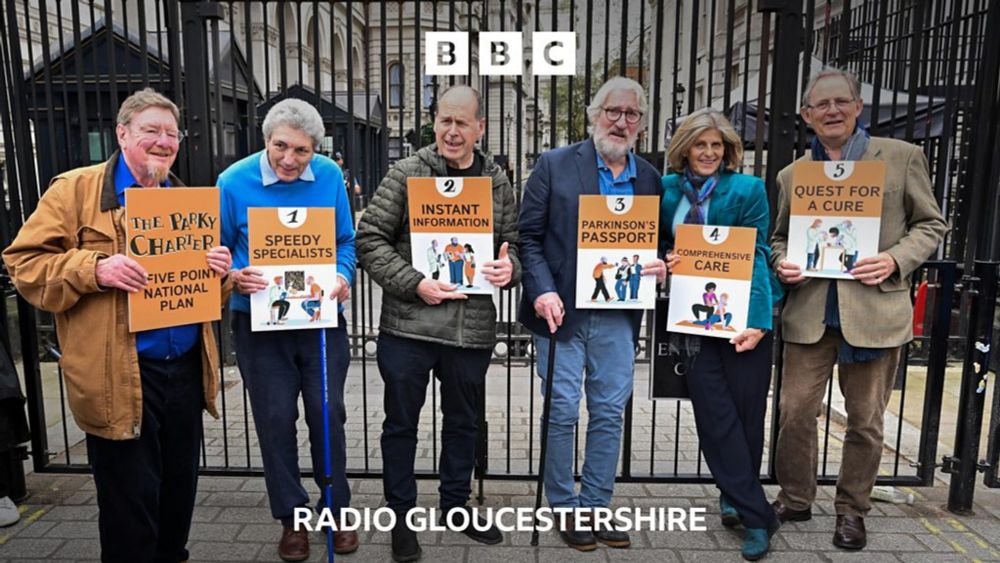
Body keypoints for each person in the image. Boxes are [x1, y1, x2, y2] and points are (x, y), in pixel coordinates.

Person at [2, 88, 232, 562]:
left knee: (176, 498)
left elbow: (200, 296)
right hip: (118, 377)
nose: (164, 141)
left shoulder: (183, 200)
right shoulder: (75, 190)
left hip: (184, 373)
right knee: (130, 507)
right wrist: (95, 269)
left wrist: (220, 273)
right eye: (151, 130)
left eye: (172, 133)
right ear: (122, 133)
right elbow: (24, 265)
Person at [770, 67, 947, 551]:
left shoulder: (902, 158)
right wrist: (783, 262)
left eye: (839, 102)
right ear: (806, 116)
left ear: (857, 106)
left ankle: (852, 510)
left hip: (873, 313)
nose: (831, 111)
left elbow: (931, 225)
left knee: (866, 421)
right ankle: (796, 497)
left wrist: (893, 259)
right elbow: (779, 237)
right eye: (820, 105)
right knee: (793, 414)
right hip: (809, 314)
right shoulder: (793, 175)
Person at [356, 85, 520, 562]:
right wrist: (415, 283)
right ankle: (401, 517)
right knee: (400, 424)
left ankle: (455, 505)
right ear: (434, 123)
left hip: (469, 330)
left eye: (462, 122)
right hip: (409, 325)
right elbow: (370, 239)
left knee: (464, 422)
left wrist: (512, 270)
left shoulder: (496, 182)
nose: (451, 131)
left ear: (479, 128)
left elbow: (515, 245)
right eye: (444, 121)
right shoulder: (406, 173)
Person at [518, 76, 666, 551]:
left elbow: (657, 242)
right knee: (561, 410)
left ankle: (596, 505)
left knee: (608, 411)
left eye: (631, 115)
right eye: (613, 111)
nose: (621, 122)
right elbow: (529, 237)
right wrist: (541, 291)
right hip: (560, 312)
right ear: (594, 114)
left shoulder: (648, 177)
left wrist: (660, 262)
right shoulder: (554, 165)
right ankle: (563, 505)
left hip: (618, 315)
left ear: (641, 124)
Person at [218, 98, 359, 561]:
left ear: (316, 149)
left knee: (328, 412)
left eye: (302, 151)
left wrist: (343, 276)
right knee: (275, 420)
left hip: (320, 320)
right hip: (258, 322)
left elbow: (346, 242)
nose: (289, 159)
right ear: (266, 139)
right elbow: (216, 252)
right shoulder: (232, 181)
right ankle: (292, 519)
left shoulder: (330, 177)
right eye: (281, 146)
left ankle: (335, 511)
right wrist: (234, 276)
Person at [661, 107, 781, 560]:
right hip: (693, 320)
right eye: (700, 144)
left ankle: (741, 504)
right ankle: (759, 513)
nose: (708, 152)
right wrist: (666, 259)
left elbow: (757, 252)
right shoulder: (667, 190)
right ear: (685, 149)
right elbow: (653, 244)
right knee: (714, 418)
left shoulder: (748, 189)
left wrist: (757, 320)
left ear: (728, 150)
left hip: (745, 320)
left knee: (747, 417)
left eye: (716, 145)